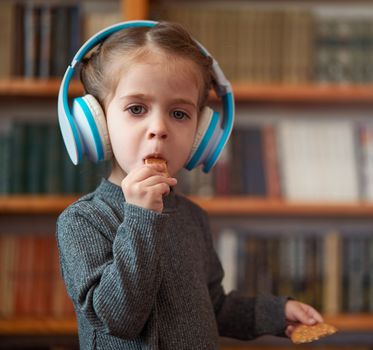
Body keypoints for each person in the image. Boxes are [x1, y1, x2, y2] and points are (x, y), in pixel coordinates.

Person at [56, 21, 324, 349]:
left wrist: (276, 313)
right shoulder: (83, 221)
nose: (159, 128)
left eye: (179, 114)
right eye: (136, 109)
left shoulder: (193, 218)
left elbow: (213, 307)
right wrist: (140, 218)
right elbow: (119, 319)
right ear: (97, 123)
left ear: (201, 135)